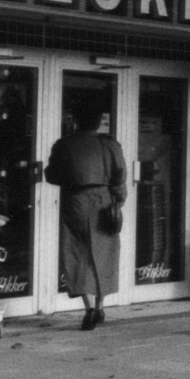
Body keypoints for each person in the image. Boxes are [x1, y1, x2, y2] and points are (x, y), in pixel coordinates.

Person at [44, 103, 127, 330]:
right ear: (99, 121)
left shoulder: (64, 145)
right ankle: (100, 306)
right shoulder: (110, 145)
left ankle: (88, 308)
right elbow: (120, 177)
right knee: (105, 253)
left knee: (76, 253)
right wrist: (118, 201)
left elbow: (52, 176)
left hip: (76, 201)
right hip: (104, 200)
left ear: (75, 121)